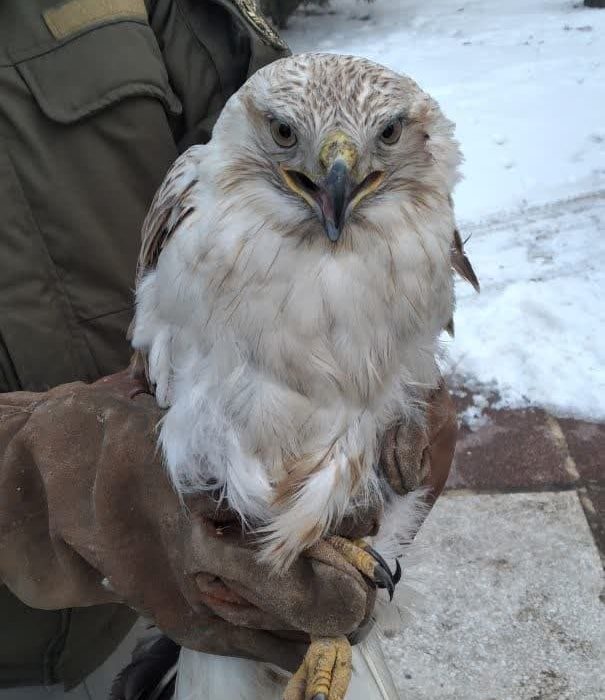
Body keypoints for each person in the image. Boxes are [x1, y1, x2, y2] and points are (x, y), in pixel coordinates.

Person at [0, 0, 458, 694]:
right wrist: (58, 479)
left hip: (160, 605)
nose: (336, 168)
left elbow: (267, 93)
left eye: (387, 136)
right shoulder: (196, 193)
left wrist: (402, 292)